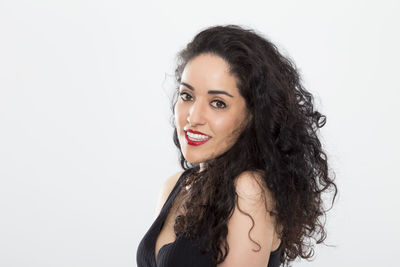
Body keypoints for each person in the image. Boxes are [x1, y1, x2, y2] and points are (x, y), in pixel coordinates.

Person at [136, 24, 337, 267]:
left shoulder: (248, 190)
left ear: (253, 116)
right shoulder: (174, 187)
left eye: (218, 103)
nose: (193, 117)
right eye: (187, 96)